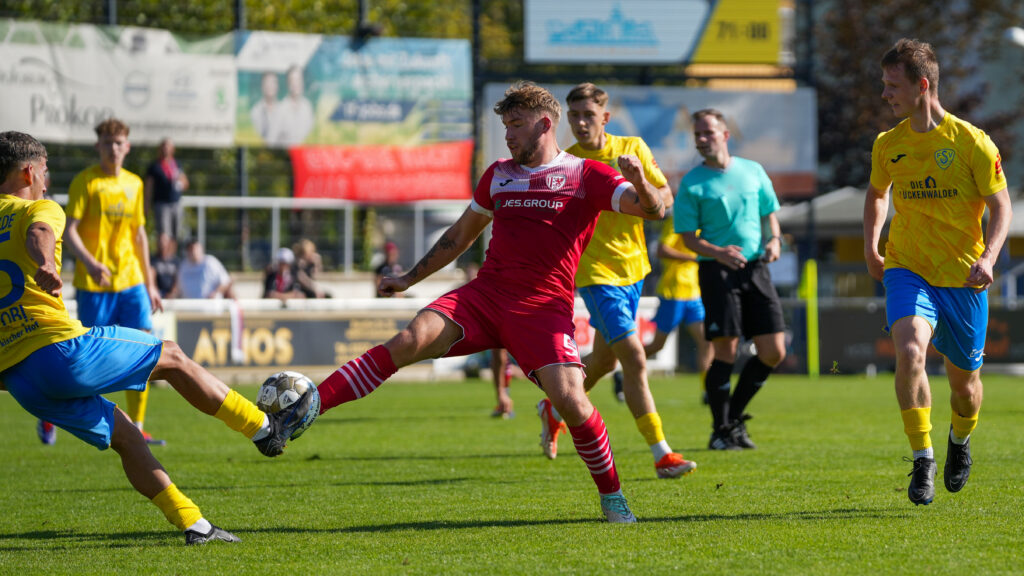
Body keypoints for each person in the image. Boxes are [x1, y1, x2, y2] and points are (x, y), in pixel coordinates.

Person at [313, 81, 668, 523]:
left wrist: (640, 182)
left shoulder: (585, 174)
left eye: (516, 124)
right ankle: (310, 406)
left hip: (542, 308)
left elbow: (651, 210)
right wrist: (407, 278)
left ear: (545, 123)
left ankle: (612, 496)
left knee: (573, 403)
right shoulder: (498, 173)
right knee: (409, 339)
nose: (508, 134)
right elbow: (458, 238)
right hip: (485, 297)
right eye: (505, 125)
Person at [0, 131, 314, 544]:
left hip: (18, 378)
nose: (47, 178)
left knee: (126, 435)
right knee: (172, 356)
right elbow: (40, 231)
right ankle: (264, 429)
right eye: (43, 170)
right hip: (58, 351)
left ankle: (194, 524)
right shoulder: (38, 206)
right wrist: (47, 263)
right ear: (28, 170)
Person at [863, 39, 1010, 506]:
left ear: (922, 86)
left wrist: (988, 258)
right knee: (908, 351)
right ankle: (923, 456)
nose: (885, 94)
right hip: (908, 268)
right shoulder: (889, 144)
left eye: (892, 85)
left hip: (964, 276)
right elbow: (877, 194)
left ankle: (959, 442)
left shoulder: (972, 142)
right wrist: (872, 245)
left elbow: (1001, 205)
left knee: (965, 388)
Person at [538, 82, 695, 480]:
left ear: (605, 117)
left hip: (634, 270)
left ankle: (553, 408)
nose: (580, 123)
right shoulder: (564, 162)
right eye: (573, 116)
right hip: (594, 275)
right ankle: (662, 454)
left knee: (605, 360)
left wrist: (639, 179)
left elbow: (664, 201)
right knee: (635, 357)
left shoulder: (632, 148)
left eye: (587, 115)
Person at [676, 108, 787, 451]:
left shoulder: (753, 171)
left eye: (708, 132)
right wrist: (719, 252)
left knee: (774, 351)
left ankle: (731, 420)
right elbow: (687, 237)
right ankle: (720, 430)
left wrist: (774, 240)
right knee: (726, 350)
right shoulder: (692, 182)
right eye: (697, 135)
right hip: (717, 271)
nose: (702, 139)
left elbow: (770, 214)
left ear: (725, 135)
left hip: (756, 269)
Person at [61, 118, 165, 445]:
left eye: (119, 142)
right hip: (95, 285)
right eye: (107, 142)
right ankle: (55, 414)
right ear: (98, 146)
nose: (113, 148)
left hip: (131, 281)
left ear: (128, 146)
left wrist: (150, 283)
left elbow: (139, 236)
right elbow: (70, 229)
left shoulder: (135, 184)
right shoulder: (85, 182)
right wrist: (90, 264)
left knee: (147, 348)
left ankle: (137, 424)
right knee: (91, 359)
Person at [644, 216, 713, 403]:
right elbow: (661, 250)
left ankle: (708, 390)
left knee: (706, 340)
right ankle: (625, 369)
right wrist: (693, 257)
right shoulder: (677, 220)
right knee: (658, 344)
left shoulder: (701, 221)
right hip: (673, 291)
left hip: (693, 293)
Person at [143, 137, 188, 247]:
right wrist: (146, 206)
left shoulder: (176, 164)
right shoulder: (154, 166)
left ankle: (171, 258)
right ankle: (162, 258)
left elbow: (185, 182)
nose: (165, 149)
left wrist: (181, 183)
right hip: (162, 205)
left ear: (173, 149)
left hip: (176, 203)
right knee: (164, 234)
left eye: (168, 147)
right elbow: (148, 188)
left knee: (175, 234)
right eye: (163, 147)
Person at [267, 65, 314, 147]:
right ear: (288, 84)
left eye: (298, 80)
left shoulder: (307, 107)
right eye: (292, 80)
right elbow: (270, 141)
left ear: (302, 81)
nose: (296, 84)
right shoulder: (280, 109)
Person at [250, 72, 280, 142]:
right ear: (262, 87)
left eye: (272, 83)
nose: (270, 86)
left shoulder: (284, 111)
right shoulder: (255, 111)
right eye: (267, 83)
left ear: (277, 86)